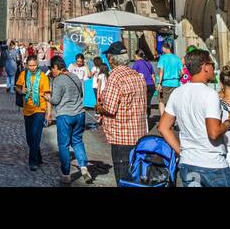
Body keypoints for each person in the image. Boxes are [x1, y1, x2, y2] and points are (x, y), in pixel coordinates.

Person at [158, 48, 230, 188]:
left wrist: (182, 152)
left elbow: (163, 127)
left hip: (188, 163)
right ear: (205, 67)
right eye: (213, 65)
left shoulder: (177, 93)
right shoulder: (209, 94)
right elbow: (213, 133)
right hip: (212, 164)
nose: (214, 69)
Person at [96, 42, 148, 185]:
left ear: (111, 59)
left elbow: (110, 109)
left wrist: (99, 108)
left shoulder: (115, 77)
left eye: (108, 57)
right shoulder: (137, 75)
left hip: (122, 137)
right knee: (136, 177)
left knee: (123, 180)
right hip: (139, 134)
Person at [48, 56, 92, 184]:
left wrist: (47, 98)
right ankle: (83, 167)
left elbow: (55, 100)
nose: (52, 72)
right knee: (77, 141)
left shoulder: (58, 80)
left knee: (64, 145)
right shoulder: (75, 77)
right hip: (80, 114)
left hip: (65, 115)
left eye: (52, 69)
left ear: (56, 67)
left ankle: (66, 174)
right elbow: (81, 95)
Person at [16, 51, 50, 172]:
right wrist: (21, 91)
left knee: (36, 134)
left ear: (37, 64)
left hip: (40, 108)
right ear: (26, 65)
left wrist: (48, 114)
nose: (32, 68)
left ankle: (33, 161)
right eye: (30, 65)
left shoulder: (43, 77)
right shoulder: (23, 74)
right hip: (27, 109)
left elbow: (47, 95)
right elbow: (18, 87)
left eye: (34, 65)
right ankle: (38, 155)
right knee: (30, 137)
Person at [155, 40, 183, 114]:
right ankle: (172, 120)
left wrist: (159, 83)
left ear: (164, 48)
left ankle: (163, 119)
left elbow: (161, 71)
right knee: (173, 102)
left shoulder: (163, 58)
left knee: (161, 101)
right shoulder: (177, 58)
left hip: (165, 83)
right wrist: (177, 78)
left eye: (162, 48)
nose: (162, 49)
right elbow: (182, 72)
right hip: (176, 83)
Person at [132, 49, 156, 118]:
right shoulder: (148, 63)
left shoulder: (137, 63)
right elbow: (153, 76)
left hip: (143, 86)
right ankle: (147, 117)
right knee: (147, 102)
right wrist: (156, 85)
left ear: (137, 55)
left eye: (134, 55)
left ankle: (143, 118)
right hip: (151, 86)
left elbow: (133, 75)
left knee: (141, 102)